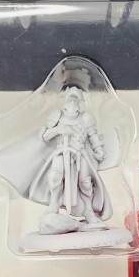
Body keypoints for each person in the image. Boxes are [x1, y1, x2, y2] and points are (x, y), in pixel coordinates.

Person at [32, 86, 110, 227]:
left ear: (80, 100)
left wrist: (98, 150)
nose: (73, 102)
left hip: (80, 153)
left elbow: (93, 135)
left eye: (76, 99)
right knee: (55, 175)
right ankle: (54, 204)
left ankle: (88, 210)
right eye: (70, 99)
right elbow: (45, 136)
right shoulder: (57, 115)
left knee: (85, 182)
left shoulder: (86, 117)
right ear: (66, 99)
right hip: (61, 151)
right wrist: (58, 130)